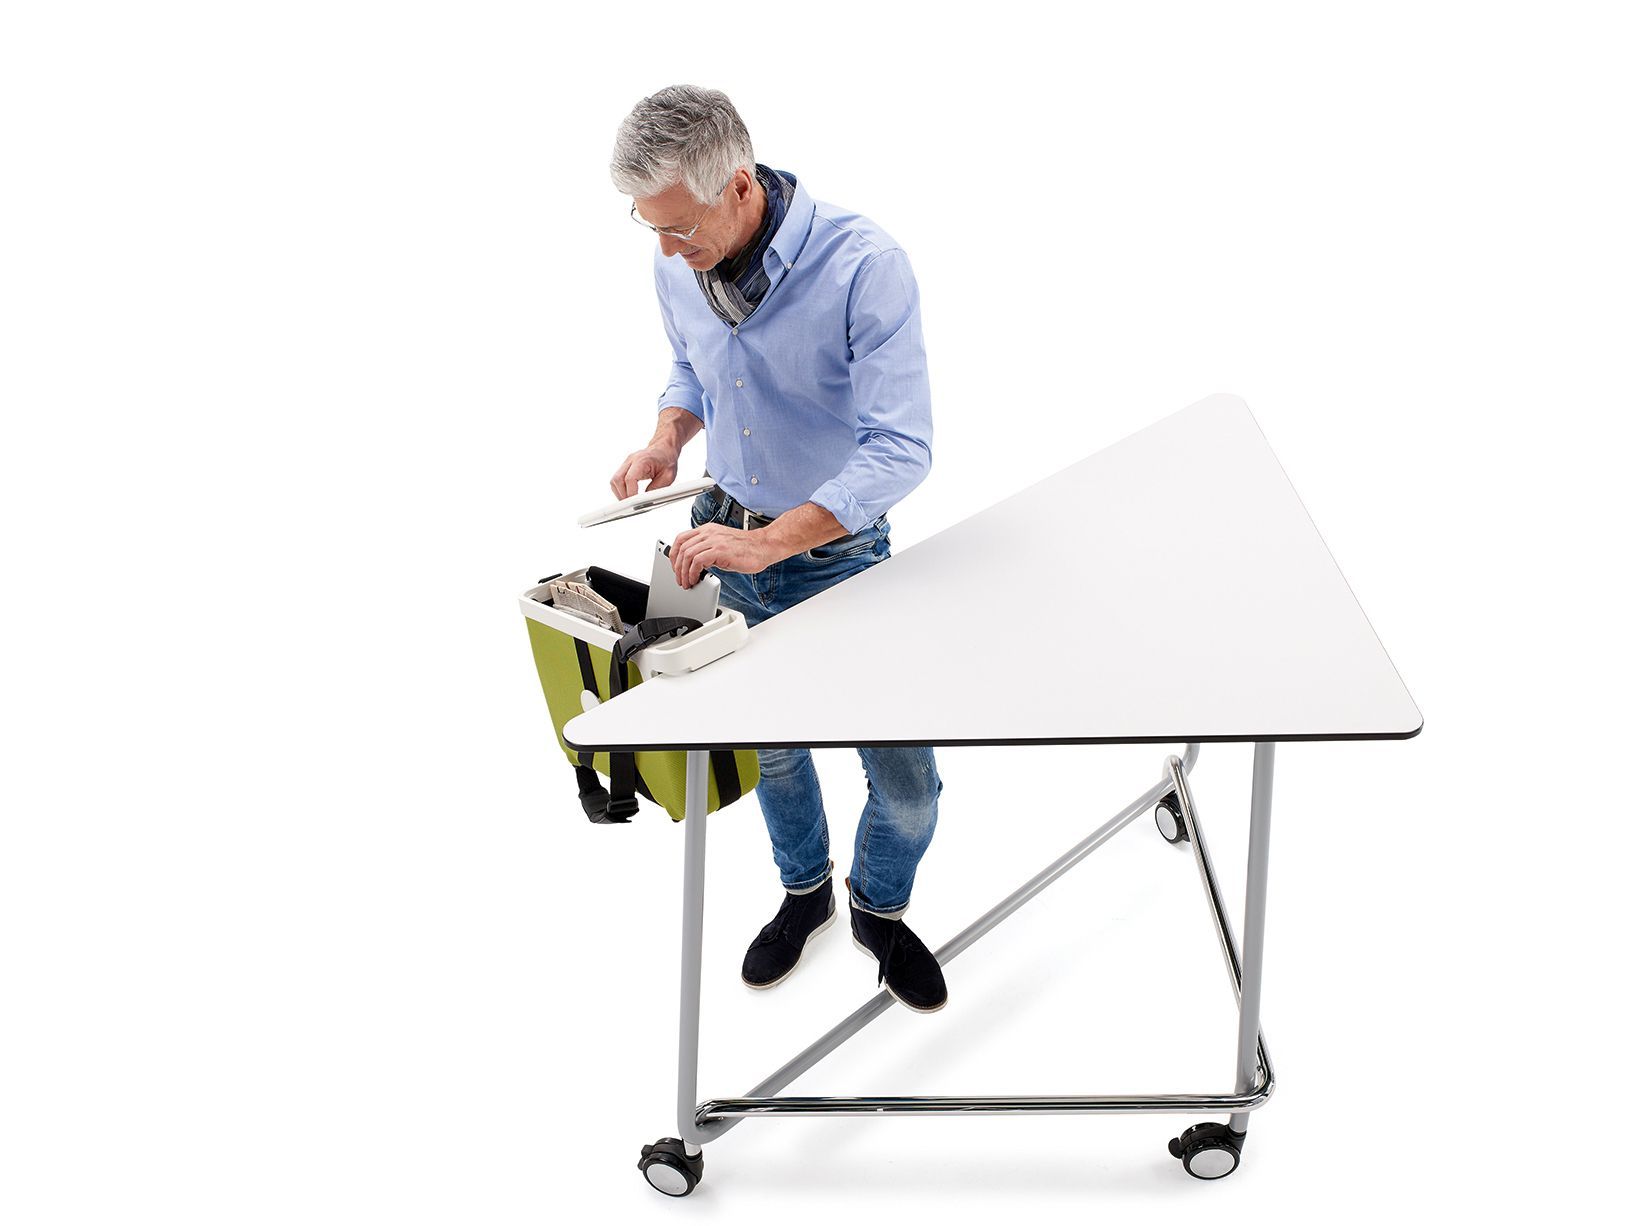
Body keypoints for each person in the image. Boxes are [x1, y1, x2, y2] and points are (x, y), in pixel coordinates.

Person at [606, 86, 947, 1013]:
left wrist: (776, 545)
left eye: (680, 229)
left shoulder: (863, 265)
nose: (667, 251)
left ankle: (879, 909)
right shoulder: (676, 258)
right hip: (723, 536)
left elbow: (901, 447)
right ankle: (806, 894)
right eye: (650, 230)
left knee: (907, 775)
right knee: (776, 755)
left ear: (741, 187)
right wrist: (669, 436)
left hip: (843, 558)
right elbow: (691, 365)